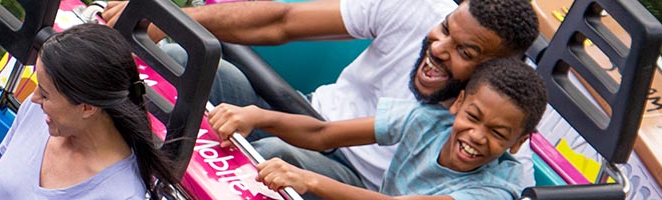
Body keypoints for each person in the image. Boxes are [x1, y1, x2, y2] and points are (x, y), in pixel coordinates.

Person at [103, 0, 539, 189]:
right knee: (183, 58)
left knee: (274, 155)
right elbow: (282, 22)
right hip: (306, 116)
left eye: (464, 52)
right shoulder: (420, 12)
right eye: (445, 30)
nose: (439, 49)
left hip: (355, 180)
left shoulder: (495, 124)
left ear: (494, 70)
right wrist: (166, 18)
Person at [206, 58, 546, 199]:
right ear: (457, 104)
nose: (476, 136)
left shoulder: (498, 190)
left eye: (499, 134)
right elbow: (324, 134)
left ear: (518, 143)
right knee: (225, 77)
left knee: (273, 159)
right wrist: (257, 116)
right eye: (473, 117)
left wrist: (307, 179)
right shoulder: (428, 119)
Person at [0, 24, 186, 200]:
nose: (33, 98)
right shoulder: (39, 113)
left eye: (45, 93)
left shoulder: (121, 194)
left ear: (87, 107)